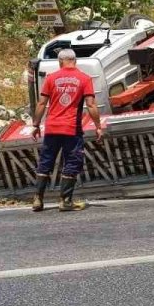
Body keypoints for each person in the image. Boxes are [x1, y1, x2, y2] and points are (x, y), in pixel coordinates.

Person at [30, 48, 102, 212]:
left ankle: (37, 200)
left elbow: (41, 104)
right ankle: (66, 201)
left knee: (46, 161)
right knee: (72, 161)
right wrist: (98, 126)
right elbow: (91, 105)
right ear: (75, 60)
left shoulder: (51, 78)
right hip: (71, 128)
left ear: (60, 61)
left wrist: (35, 125)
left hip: (52, 128)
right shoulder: (84, 78)